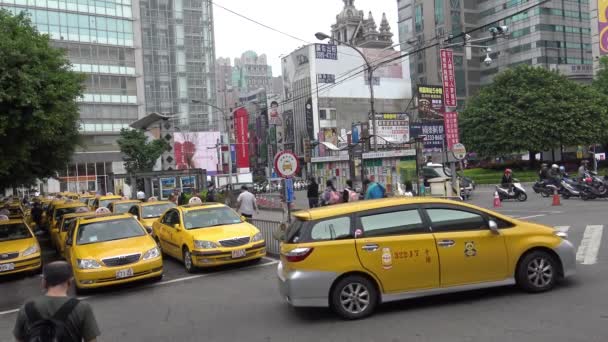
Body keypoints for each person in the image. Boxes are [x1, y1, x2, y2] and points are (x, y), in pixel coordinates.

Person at [13, 261, 100, 342]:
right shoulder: (82, 307)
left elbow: (18, 339)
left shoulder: (26, 308)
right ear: (69, 281)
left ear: (44, 282)